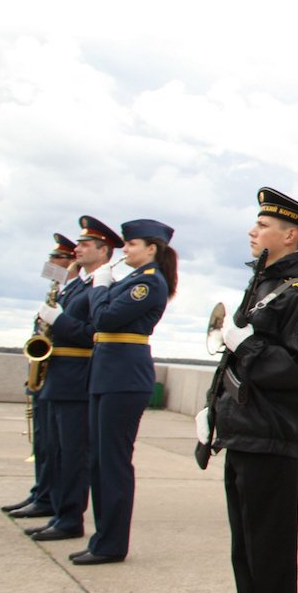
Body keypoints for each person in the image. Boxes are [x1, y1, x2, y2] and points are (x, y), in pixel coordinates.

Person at [187, 188, 298, 593]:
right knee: (245, 549)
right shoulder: (269, 286)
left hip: (274, 436)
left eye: (263, 224)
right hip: (247, 431)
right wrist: (215, 407)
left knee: (268, 551)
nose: (253, 231)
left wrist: (246, 345)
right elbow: (237, 363)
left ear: (290, 235)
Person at [74, 217, 177, 566]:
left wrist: (100, 286)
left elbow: (102, 319)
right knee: (99, 460)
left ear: (151, 248)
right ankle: (102, 537)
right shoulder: (131, 280)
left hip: (124, 376)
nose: (126, 250)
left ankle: (112, 543)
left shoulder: (147, 283)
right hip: (107, 373)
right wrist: (102, 289)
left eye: (132, 244)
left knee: (113, 463)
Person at [25, 217, 119, 542]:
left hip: (77, 377)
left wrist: (58, 319)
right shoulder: (79, 285)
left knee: (73, 455)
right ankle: (55, 508)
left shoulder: (100, 286)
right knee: (55, 448)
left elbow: (94, 333)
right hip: (58, 375)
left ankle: (69, 518)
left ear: (103, 250)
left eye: (85, 244)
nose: (77, 248)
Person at [3, 233, 78, 520]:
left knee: (54, 444)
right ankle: (41, 492)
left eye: (56, 258)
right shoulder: (59, 291)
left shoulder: (74, 290)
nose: (49, 263)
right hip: (48, 372)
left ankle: (48, 498)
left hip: (63, 373)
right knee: (43, 440)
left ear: (70, 261)